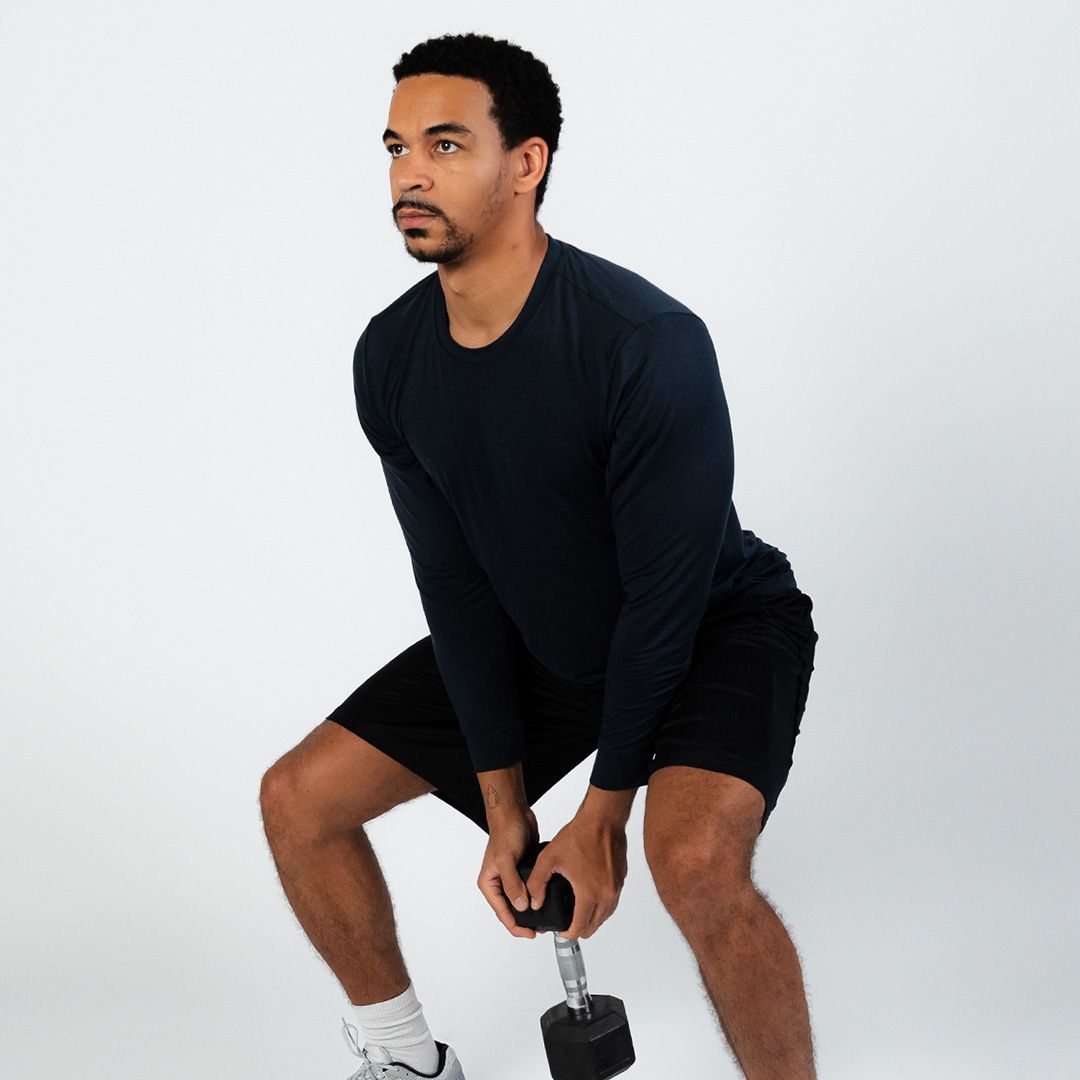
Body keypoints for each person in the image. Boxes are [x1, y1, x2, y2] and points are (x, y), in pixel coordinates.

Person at [259, 31, 819, 1080]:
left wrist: (602, 813)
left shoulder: (642, 341)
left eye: (444, 144)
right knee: (300, 801)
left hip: (710, 622)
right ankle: (408, 1062)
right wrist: (507, 801)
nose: (408, 174)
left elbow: (662, 598)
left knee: (690, 862)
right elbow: (457, 586)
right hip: (547, 632)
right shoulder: (390, 357)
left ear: (528, 163)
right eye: (393, 148)